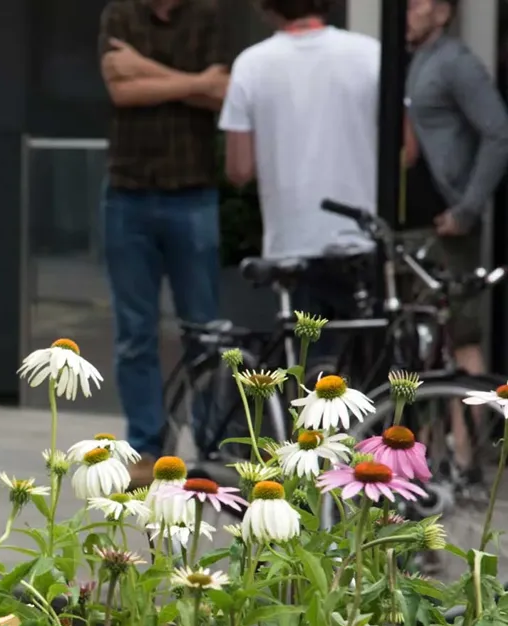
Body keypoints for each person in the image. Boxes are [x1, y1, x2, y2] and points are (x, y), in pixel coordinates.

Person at [97, 0, 230, 486]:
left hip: (191, 193)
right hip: (127, 194)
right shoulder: (119, 15)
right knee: (135, 334)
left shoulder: (209, 16)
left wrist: (147, 73)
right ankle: (147, 448)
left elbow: (222, 94)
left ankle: (216, 444)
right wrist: (192, 82)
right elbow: (121, 92)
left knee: (205, 331)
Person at [219, 0, 380, 261]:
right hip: (362, 242)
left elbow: (239, 169)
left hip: (291, 250)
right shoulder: (371, 53)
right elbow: (405, 150)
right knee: (362, 302)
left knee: (298, 305)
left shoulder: (251, 65)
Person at [403, 0, 508, 382]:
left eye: (417, 4)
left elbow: (499, 133)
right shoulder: (412, 61)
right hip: (413, 225)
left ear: (443, 13)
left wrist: (467, 208)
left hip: (447, 222)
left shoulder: (456, 62)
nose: (407, 12)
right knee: (426, 347)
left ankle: (472, 442)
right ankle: (437, 440)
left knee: (462, 337)